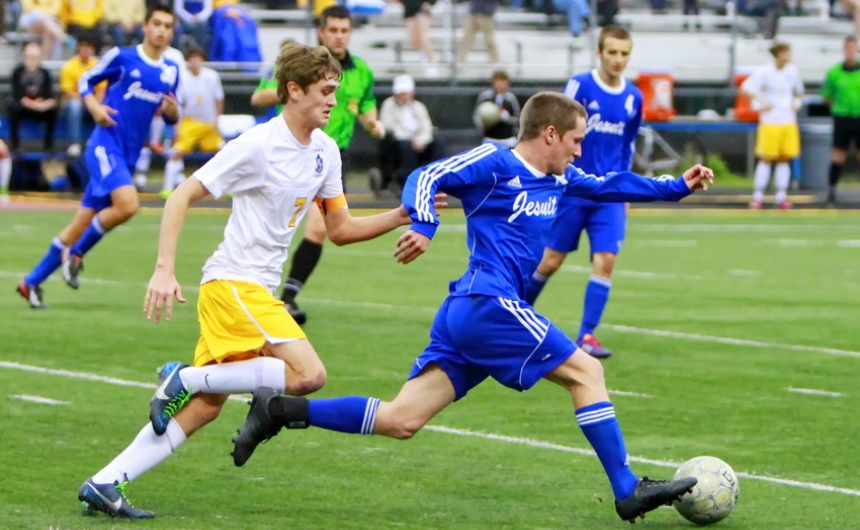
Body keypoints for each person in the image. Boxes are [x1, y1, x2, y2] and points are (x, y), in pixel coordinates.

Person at [230, 91, 713, 524]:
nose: (580, 150)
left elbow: (608, 184)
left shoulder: (560, 177)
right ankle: (628, 489)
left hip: (472, 313)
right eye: (576, 140)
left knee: (402, 419)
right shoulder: (496, 162)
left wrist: (676, 187)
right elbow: (427, 174)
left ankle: (279, 410)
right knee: (587, 373)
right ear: (550, 134)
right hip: (489, 303)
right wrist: (424, 224)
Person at [76, 41, 444, 519]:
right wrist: (164, 269)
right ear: (293, 90)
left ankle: (106, 481)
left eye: (335, 90)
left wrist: (400, 215)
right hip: (233, 282)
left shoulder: (327, 152)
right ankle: (182, 378)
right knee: (309, 374)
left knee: (208, 405)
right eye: (325, 90)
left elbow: (340, 230)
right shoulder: (258, 144)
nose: (334, 100)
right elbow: (181, 194)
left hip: (254, 290)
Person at [16, 5, 180, 309]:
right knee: (128, 204)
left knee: (81, 221)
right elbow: (85, 81)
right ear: (145, 26)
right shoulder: (122, 56)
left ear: (172, 32)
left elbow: (171, 114)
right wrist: (93, 107)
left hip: (127, 157)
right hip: (105, 146)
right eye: (156, 23)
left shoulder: (171, 70)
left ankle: (31, 282)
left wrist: (173, 114)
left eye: (168, 26)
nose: (161, 30)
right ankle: (76, 255)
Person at [520, 25, 642, 359]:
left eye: (624, 53)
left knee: (606, 260)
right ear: (599, 52)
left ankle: (587, 335)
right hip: (574, 190)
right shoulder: (581, 86)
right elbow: (559, 128)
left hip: (609, 194)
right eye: (612, 52)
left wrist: (625, 189)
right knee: (550, 260)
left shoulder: (634, 97)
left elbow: (627, 144)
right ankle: (512, 318)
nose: (618, 59)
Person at [277, 5, 385, 325]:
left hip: (333, 158)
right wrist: (289, 91)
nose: (339, 36)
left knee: (318, 229)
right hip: (293, 150)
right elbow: (261, 96)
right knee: (277, 222)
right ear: (321, 31)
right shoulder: (300, 66)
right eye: (333, 30)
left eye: (345, 30)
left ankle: (287, 298)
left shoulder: (362, 71)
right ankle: (262, 291)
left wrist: (373, 124)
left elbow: (366, 108)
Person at [741, 41, 804, 210]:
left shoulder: (793, 72)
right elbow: (746, 88)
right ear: (778, 53)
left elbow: (799, 91)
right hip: (770, 121)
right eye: (786, 52)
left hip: (788, 120)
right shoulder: (764, 72)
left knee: (784, 159)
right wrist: (758, 104)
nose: (789, 56)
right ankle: (758, 196)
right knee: (766, 158)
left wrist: (797, 103)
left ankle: (781, 196)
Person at [162, 47, 224, 198]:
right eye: (192, 58)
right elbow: (178, 104)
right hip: (189, 123)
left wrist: (217, 121)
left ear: (202, 60)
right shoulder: (182, 78)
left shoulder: (212, 76)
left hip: (209, 124)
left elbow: (219, 99)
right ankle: (167, 188)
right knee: (176, 152)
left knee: (225, 152)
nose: (195, 62)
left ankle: (227, 188)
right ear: (188, 61)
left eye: (198, 58)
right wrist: (178, 127)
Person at [374, 74, 444, 195]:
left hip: (419, 140)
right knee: (406, 147)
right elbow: (390, 126)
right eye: (400, 93)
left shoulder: (419, 106)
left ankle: (437, 180)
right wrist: (411, 140)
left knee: (439, 142)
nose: (403, 96)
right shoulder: (388, 105)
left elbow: (427, 127)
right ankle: (410, 184)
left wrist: (422, 141)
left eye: (405, 92)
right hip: (399, 142)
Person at [823, 35, 860, 206]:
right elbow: (827, 96)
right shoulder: (834, 72)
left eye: (853, 48)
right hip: (842, 118)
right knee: (838, 155)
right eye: (848, 48)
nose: (850, 52)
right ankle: (831, 191)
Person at [60, 34, 107, 157]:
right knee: (74, 106)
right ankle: (74, 143)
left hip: (94, 101)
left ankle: (100, 141)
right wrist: (87, 100)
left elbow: (102, 90)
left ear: (92, 49)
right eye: (83, 47)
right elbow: (68, 92)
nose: (85, 50)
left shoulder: (98, 66)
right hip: (77, 101)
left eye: (88, 47)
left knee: (105, 104)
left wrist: (95, 102)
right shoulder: (70, 66)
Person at [8, 42, 59, 153]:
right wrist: (33, 104)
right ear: (24, 56)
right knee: (12, 106)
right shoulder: (17, 72)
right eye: (30, 56)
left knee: (54, 110)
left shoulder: (45, 73)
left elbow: (49, 95)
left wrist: (44, 104)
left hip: (41, 107)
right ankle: (15, 144)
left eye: (35, 57)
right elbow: (17, 95)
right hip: (23, 108)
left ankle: (49, 144)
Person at [473, 69, 520, 148]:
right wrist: (484, 124)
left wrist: (505, 116)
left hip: (508, 140)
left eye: (503, 81)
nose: (500, 84)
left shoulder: (511, 99)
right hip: (490, 139)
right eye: (498, 81)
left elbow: (517, 118)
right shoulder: (485, 97)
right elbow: (477, 116)